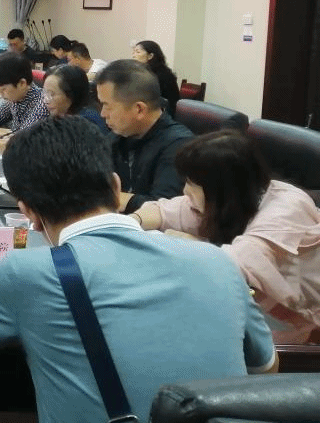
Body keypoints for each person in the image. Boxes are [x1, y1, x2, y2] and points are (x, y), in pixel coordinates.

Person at [0, 117, 278, 423]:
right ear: (116, 189)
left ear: (28, 212)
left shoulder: (27, 272)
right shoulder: (219, 262)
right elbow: (267, 367)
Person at [132, 130, 320, 343]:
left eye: (192, 184)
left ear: (220, 188)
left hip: (301, 326)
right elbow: (165, 211)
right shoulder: (233, 199)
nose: (185, 191)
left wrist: (190, 243)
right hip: (255, 309)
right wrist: (131, 221)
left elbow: (235, 265)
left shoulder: (287, 209)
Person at [96, 59, 193, 212]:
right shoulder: (117, 137)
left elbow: (164, 209)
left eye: (107, 106)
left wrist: (108, 197)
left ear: (139, 109)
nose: (102, 114)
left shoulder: (179, 145)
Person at [42, 64, 109, 132]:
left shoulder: (87, 123)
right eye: (45, 93)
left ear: (71, 94)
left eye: (52, 94)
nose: (46, 100)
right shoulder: (61, 116)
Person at [131, 40, 180, 116]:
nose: (133, 56)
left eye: (138, 52)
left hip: (163, 114)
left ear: (150, 56)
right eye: (134, 52)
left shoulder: (161, 75)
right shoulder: (143, 72)